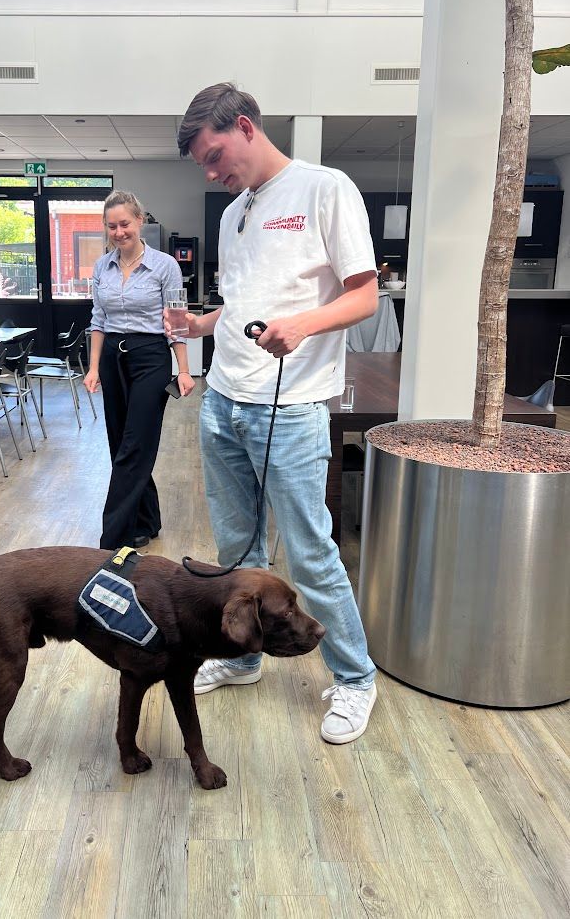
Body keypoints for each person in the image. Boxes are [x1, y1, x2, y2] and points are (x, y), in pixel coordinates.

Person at [174, 83, 379, 744]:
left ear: (243, 126)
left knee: (311, 556)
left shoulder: (325, 188)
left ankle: (353, 680)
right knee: (238, 554)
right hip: (223, 401)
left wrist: (302, 325)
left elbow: (364, 295)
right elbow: (238, 304)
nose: (211, 171)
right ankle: (242, 658)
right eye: (202, 165)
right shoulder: (235, 211)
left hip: (288, 411)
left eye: (213, 155)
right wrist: (200, 324)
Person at [85, 190, 195, 550]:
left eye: (125, 224)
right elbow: (98, 320)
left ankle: (112, 538)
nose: (119, 232)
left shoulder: (165, 265)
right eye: (111, 226)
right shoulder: (102, 266)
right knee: (121, 442)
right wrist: (93, 367)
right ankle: (148, 519)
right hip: (113, 360)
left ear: (140, 221)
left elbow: (176, 323)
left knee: (135, 444)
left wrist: (184, 369)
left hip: (151, 358)